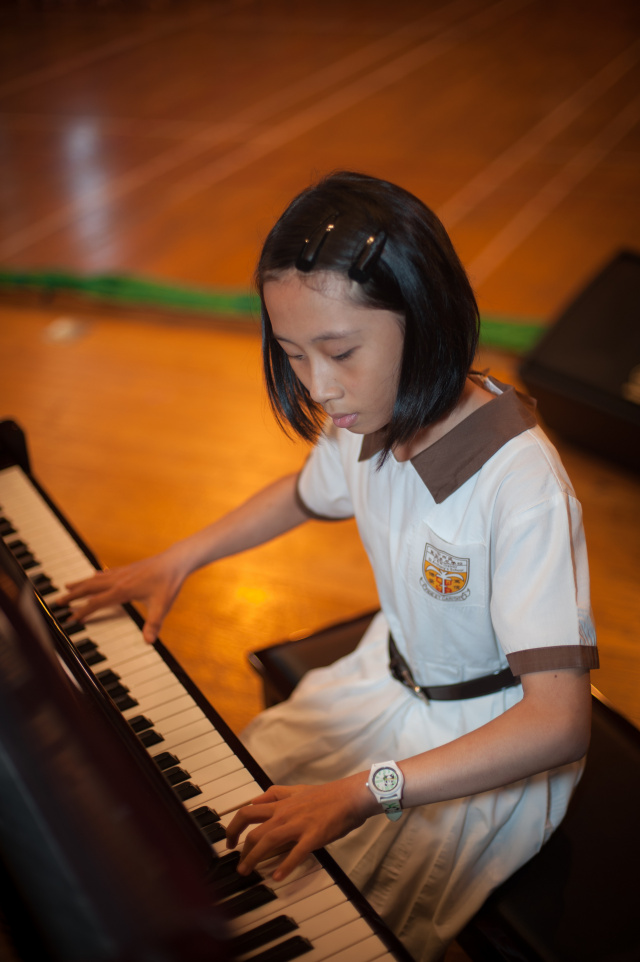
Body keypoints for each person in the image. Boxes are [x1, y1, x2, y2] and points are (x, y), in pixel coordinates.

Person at [62, 171, 598, 961]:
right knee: (227, 817)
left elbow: (557, 722)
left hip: (484, 739)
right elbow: (303, 494)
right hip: (387, 679)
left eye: (340, 351)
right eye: (292, 354)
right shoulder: (364, 411)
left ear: (427, 319)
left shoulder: (522, 486)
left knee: (332, 914)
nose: (318, 386)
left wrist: (363, 791)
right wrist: (179, 558)